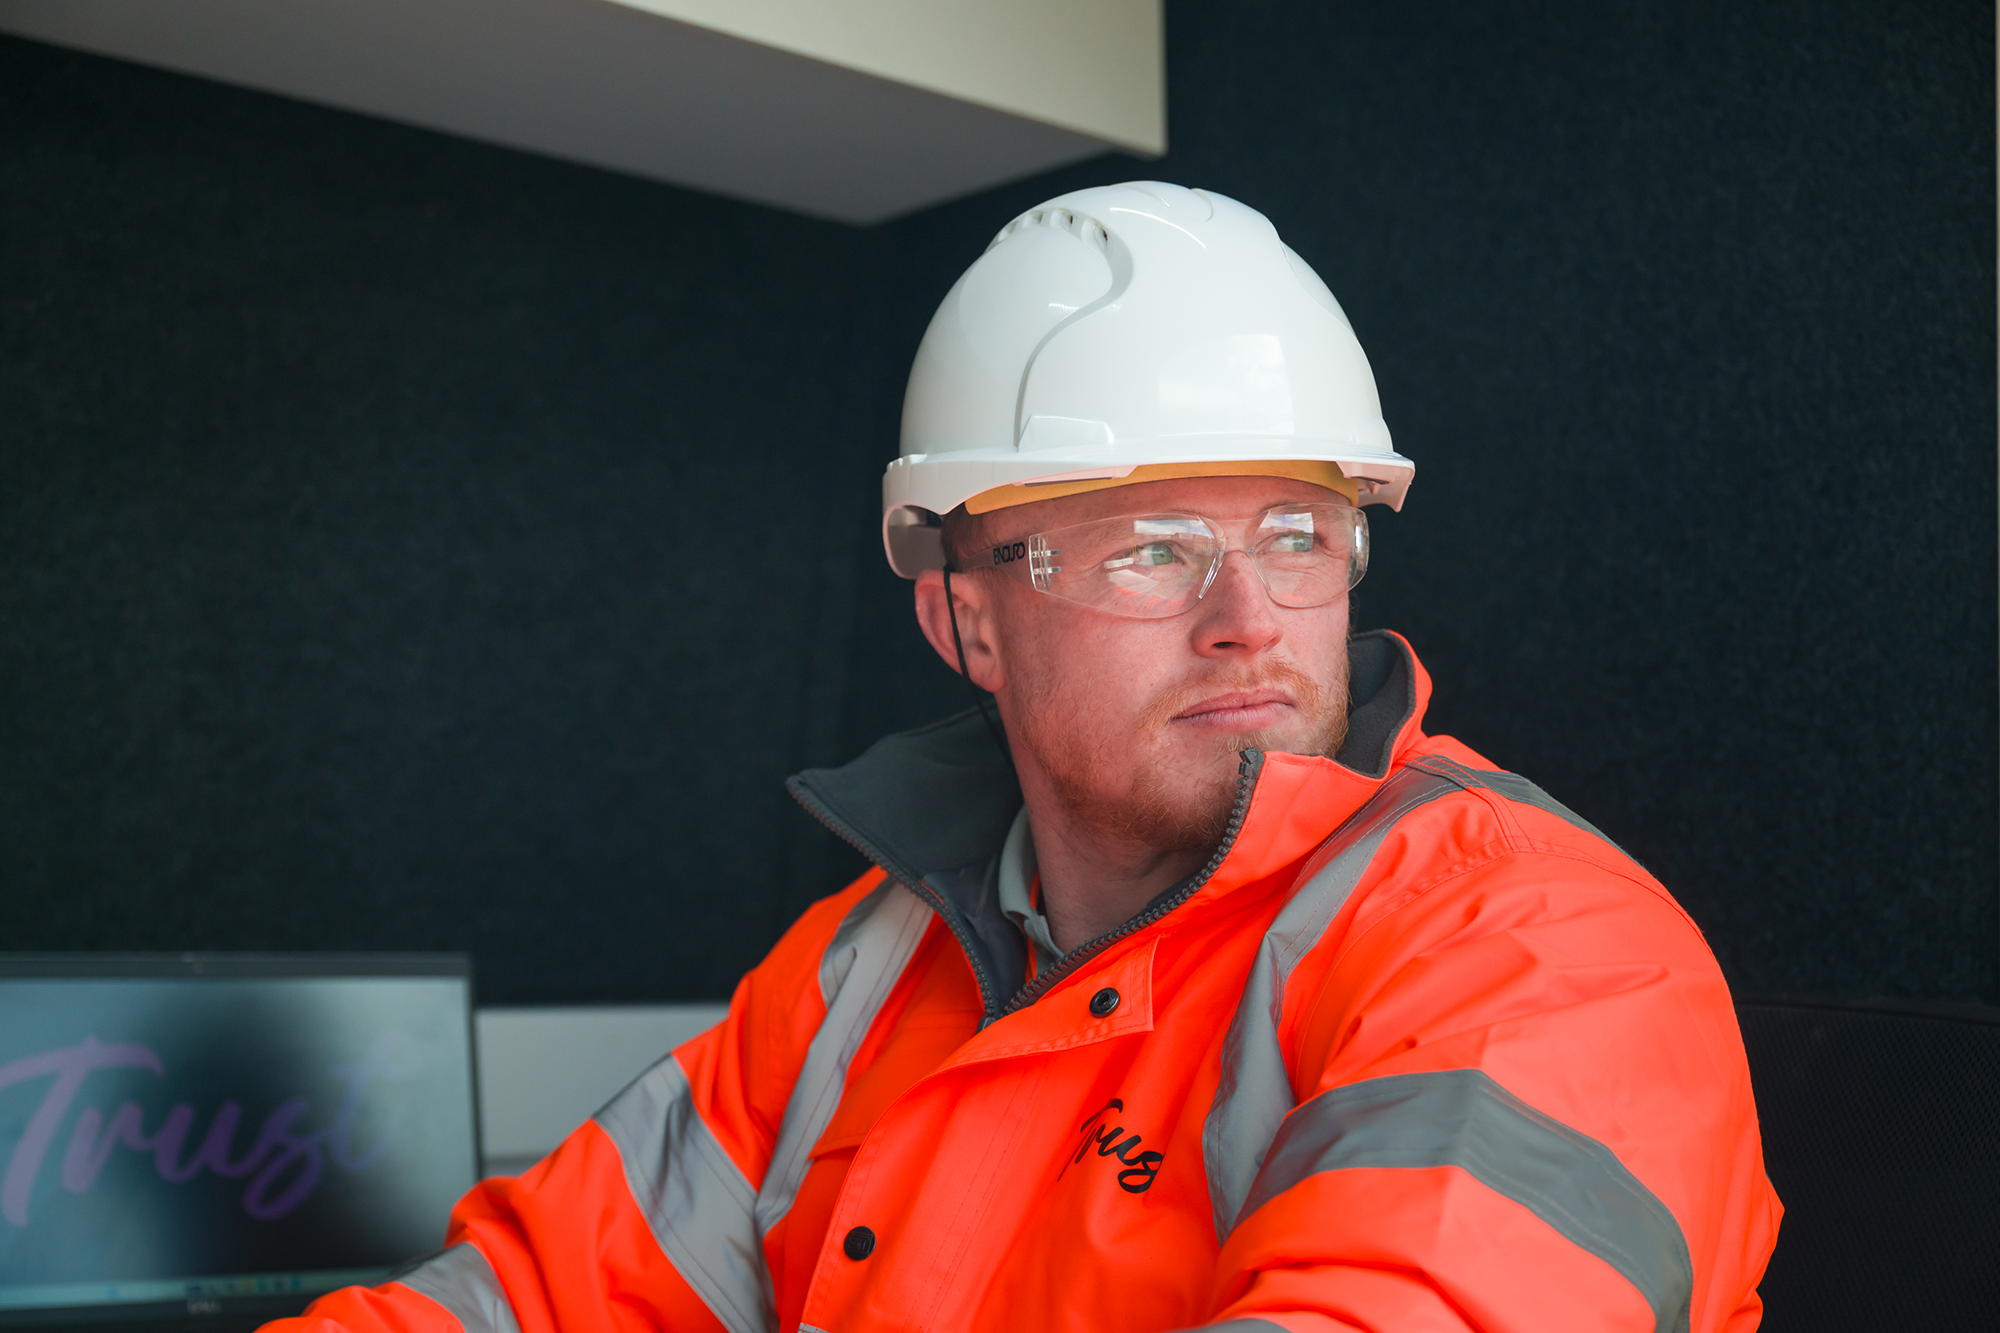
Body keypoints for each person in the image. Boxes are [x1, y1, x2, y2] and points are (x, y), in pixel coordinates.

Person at [272, 183, 1780, 1333]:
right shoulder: (854, 981)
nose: (1246, 621)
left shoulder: (1540, 951)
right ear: (966, 623)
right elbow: (522, 1303)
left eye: (1298, 538)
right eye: (1152, 550)